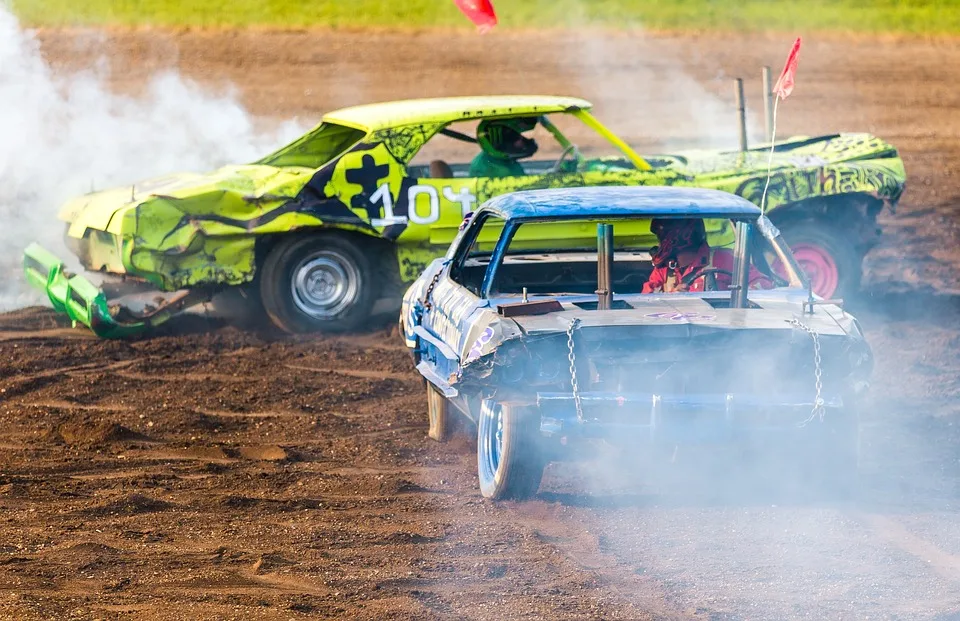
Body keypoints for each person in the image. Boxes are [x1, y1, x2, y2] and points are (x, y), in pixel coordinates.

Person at [642, 218, 770, 294]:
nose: (659, 244)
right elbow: (644, 305)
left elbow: (763, 285)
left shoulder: (724, 259)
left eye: (661, 237)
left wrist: (732, 299)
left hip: (721, 333)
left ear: (677, 238)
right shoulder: (663, 270)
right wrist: (672, 298)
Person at [469, 118, 538, 178]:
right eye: (515, 137)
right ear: (504, 141)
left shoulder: (505, 162)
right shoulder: (491, 167)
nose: (522, 140)